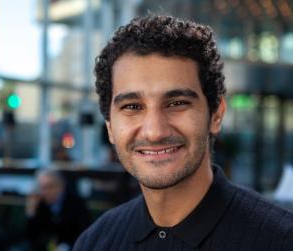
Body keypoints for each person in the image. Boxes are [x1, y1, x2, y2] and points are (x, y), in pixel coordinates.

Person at [73, 14, 293, 250]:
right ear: (110, 128)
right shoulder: (95, 242)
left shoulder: (281, 240)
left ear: (216, 114)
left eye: (177, 103)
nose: (155, 131)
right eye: (132, 107)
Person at [25, 169, 90, 251]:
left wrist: (66, 247)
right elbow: (31, 237)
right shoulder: (39, 202)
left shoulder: (76, 202)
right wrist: (31, 213)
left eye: (50, 187)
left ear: (61, 186)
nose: (45, 192)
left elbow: (85, 233)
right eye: (42, 188)